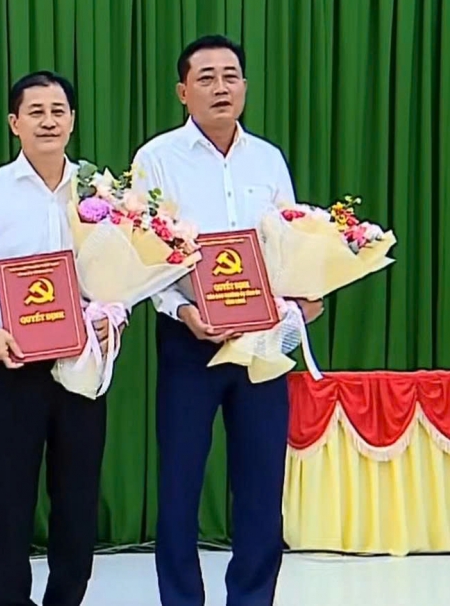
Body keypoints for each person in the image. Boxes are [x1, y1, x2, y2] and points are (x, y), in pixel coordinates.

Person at [131, 35, 323, 606]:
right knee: (180, 485)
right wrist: (184, 310)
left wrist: (304, 297)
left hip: (263, 343)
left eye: (231, 75)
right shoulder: (157, 158)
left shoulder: (268, 158)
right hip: (190, 342)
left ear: (244, 86)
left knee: (262, 485)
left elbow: (288, 242)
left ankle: (253, 597)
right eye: (207, 77)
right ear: (182, 91)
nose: (221, 87)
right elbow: (142, 255)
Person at [0, 71, 115, 606]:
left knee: (77, 501)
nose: (48, 121)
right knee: (10, 503)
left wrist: (109, 317)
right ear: (14, 123)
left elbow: (122, 273)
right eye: (36, 112)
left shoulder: (100, 192)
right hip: (13, 365)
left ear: (72, 120)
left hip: (82, 365)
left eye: (58, 111)